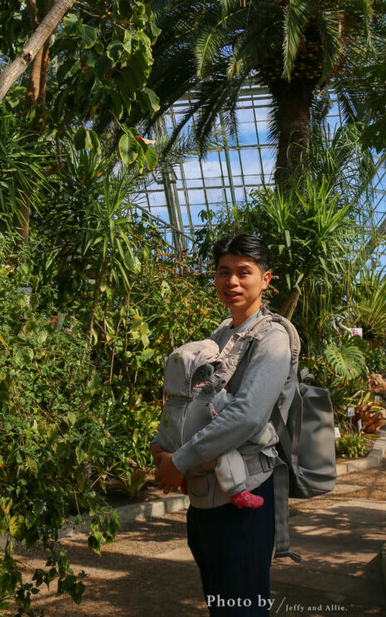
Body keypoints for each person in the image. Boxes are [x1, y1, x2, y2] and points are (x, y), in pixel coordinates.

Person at [153, 234, 299, 617]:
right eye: (223, 272)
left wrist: (180, 460)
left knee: (241, 606)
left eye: (243, 272)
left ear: (266, 279)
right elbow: (195, 401)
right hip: (207, 495)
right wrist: (162, 443)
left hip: (245, 495)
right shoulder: (223, 333)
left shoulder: (273, 338)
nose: (232, 282)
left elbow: (248, 415)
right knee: (222, 601)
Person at [155, 337, 272, 509]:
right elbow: (240, 416)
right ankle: (237, 491)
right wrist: (264, 434)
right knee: (227, 455)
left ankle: (185, 482)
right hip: (206, 453)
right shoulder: (211, 396)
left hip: (183, 454)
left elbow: (164, 434)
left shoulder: (172, 404)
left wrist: (164, 454)